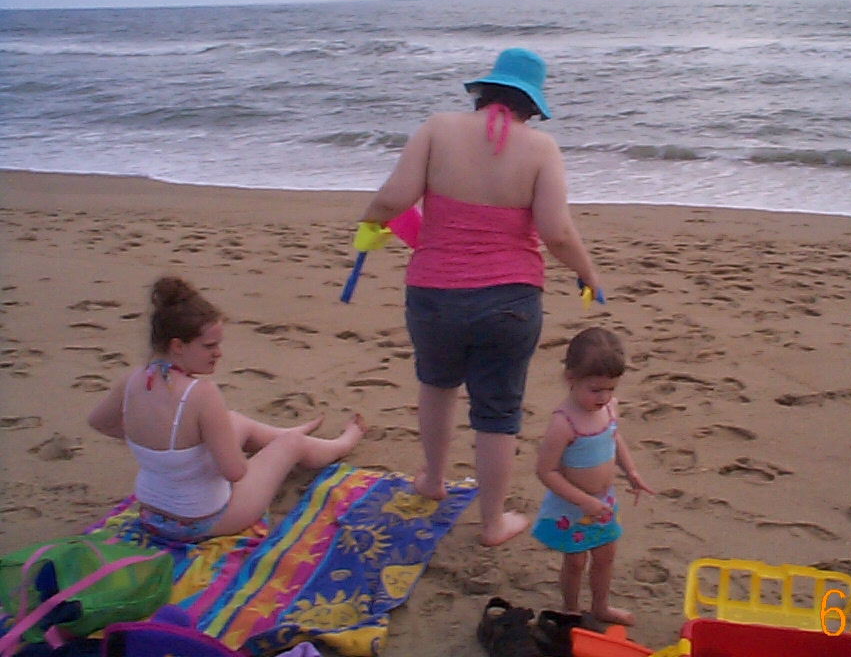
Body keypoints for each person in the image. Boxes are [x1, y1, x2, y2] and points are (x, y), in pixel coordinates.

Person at [359, 47, 602, 547]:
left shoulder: (437, 129)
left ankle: (433, 479)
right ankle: (492, 522)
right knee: (497, 413)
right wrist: (588, 274)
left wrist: (370, 224)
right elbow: (556, 233)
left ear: (485, 90)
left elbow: (392, 199)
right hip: (508, 300)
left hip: (433, 293)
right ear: (532, 105)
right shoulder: (541, 150)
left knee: (436, 385)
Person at [88, 276, 364, 542]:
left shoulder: (134, 380)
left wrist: (154, 444)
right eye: (209, 346)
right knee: (292, 444)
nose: (218, 353)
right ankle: (342, 442)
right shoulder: (201, 394)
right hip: (202, 521)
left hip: (151, 514)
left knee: (234, 421)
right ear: (177, 346)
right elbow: (235, 472)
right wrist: (219, 452)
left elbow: (99, 422)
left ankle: (285, 434)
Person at [531, 327, 653, 625]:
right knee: (575, 561)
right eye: (596, 390)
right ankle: (571, 611)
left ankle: (600, 606)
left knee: (605, 555)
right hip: (572, 505)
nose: (605, 396)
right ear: (571, 378)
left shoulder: (609, 407)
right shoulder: (563, 423)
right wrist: (582, 501)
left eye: (611, 388)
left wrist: (631, 471)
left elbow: (614, 438)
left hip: (603, 501)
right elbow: (546, 471)